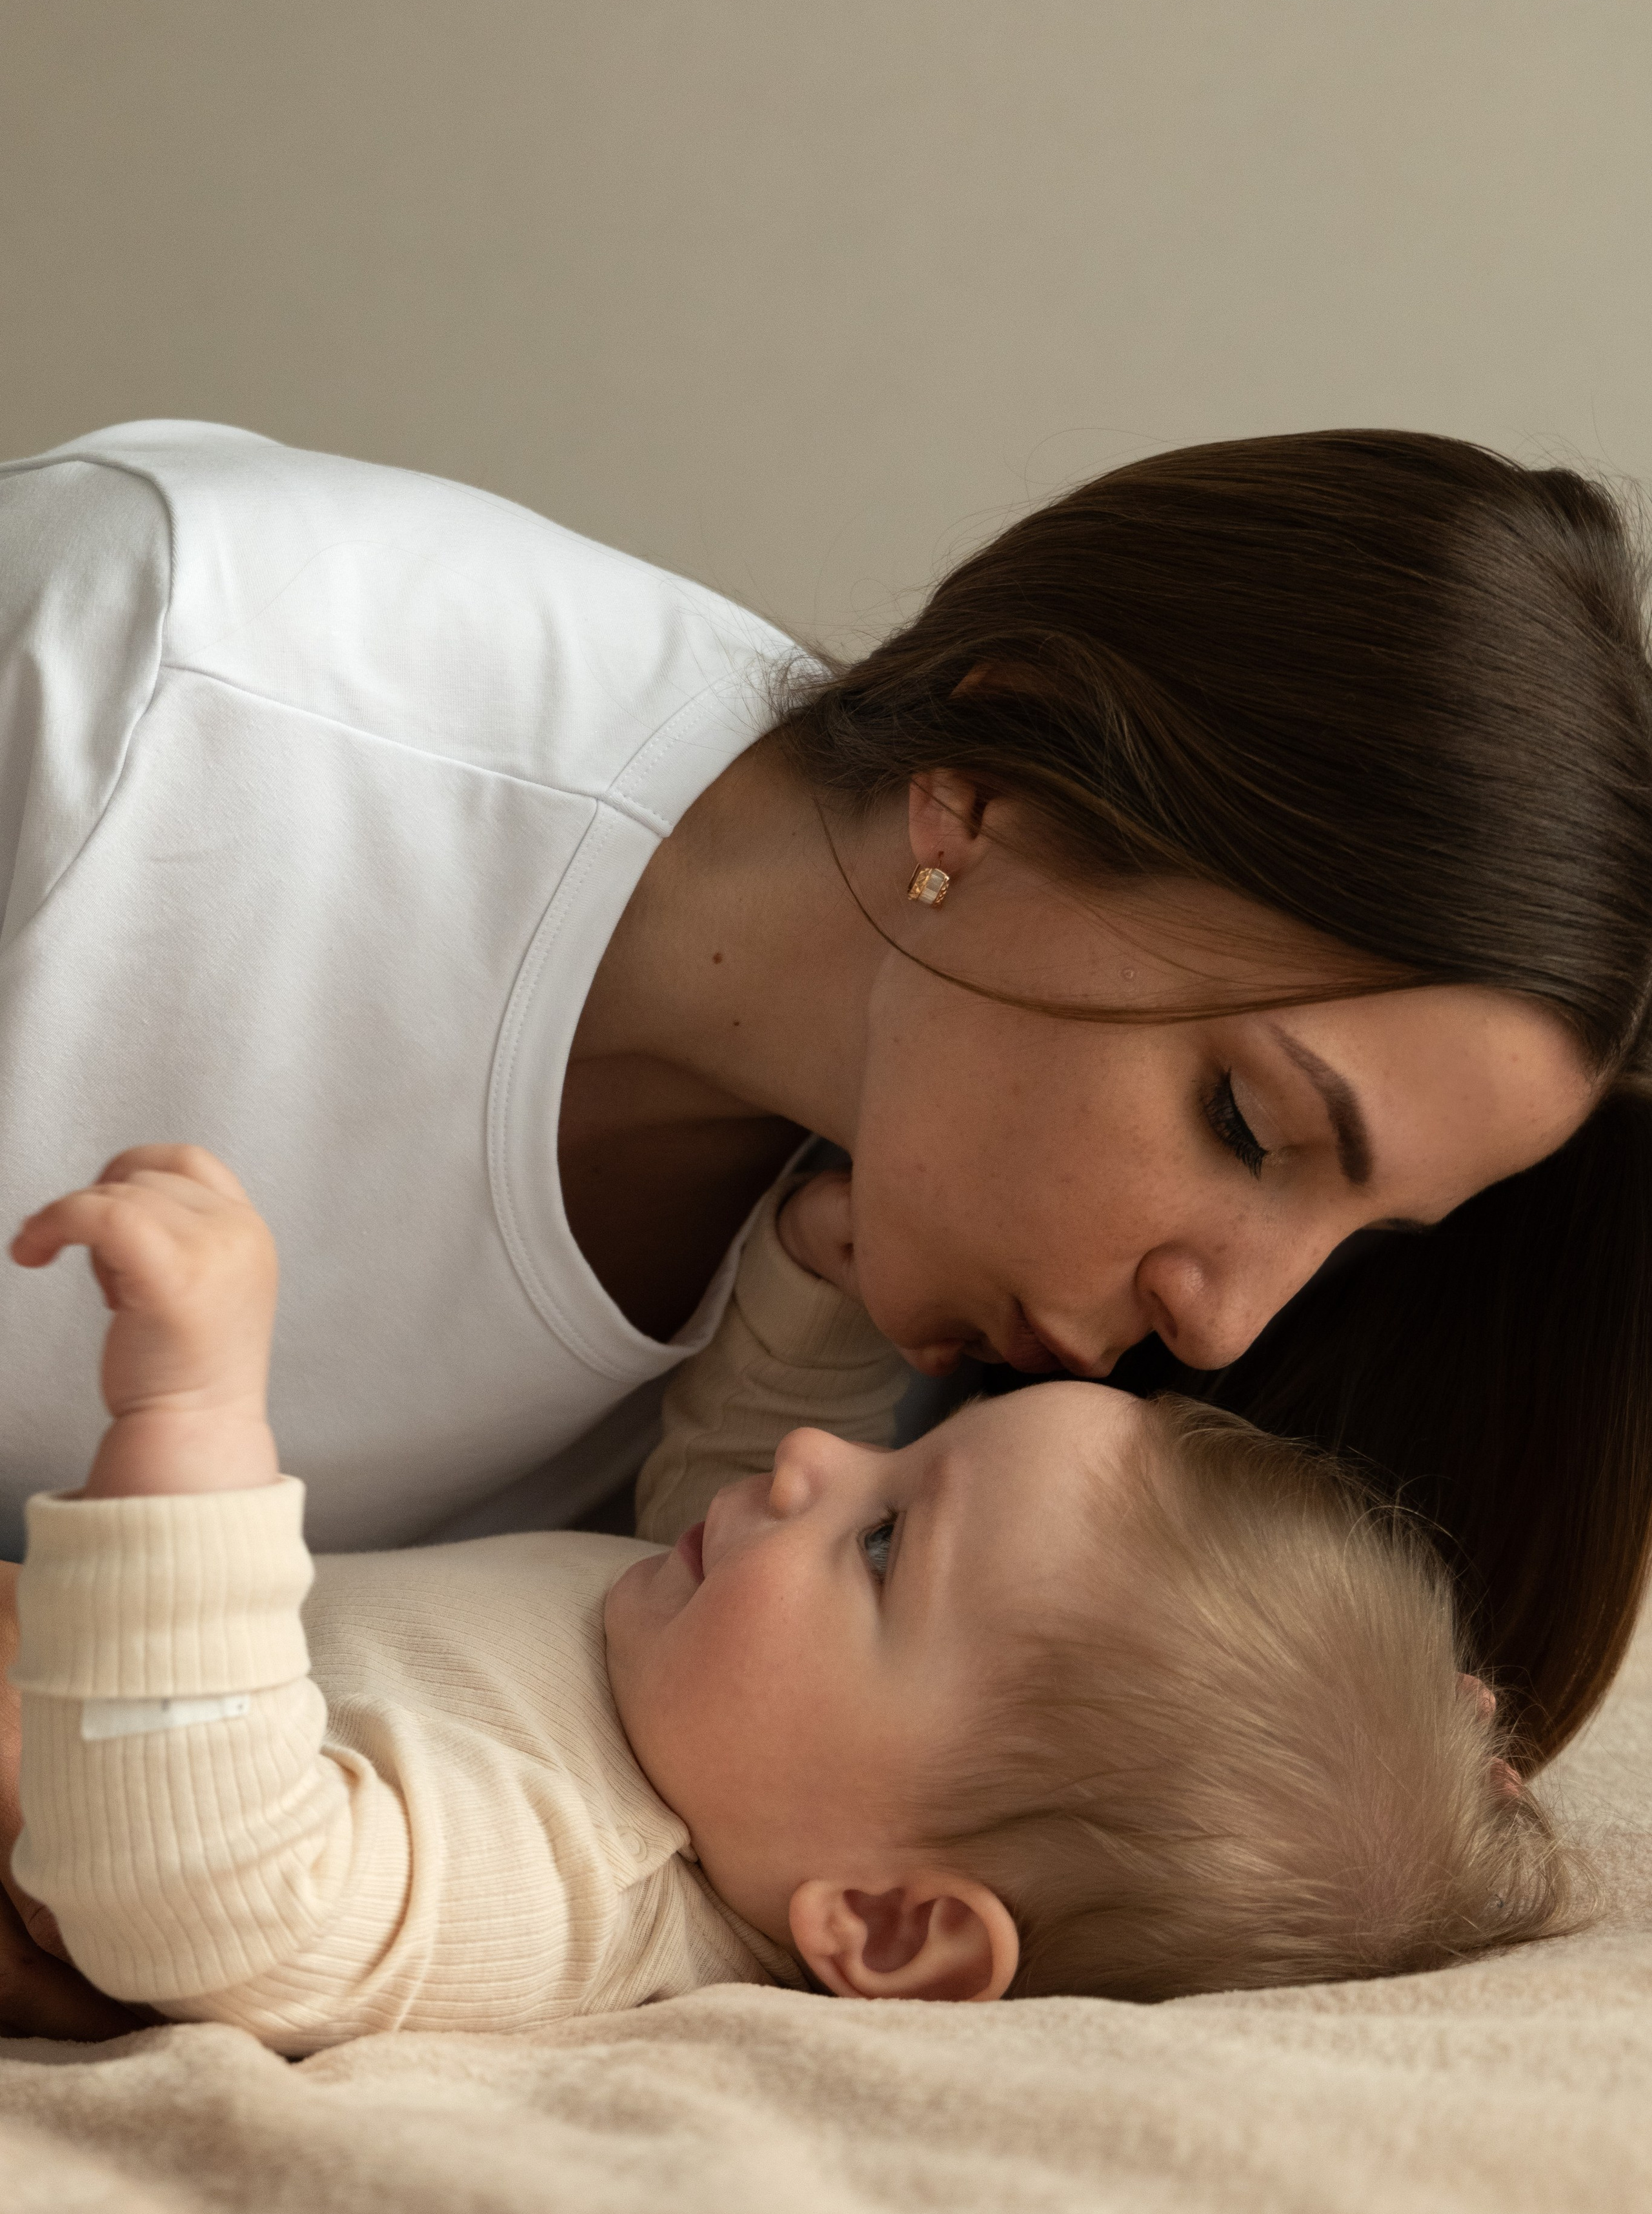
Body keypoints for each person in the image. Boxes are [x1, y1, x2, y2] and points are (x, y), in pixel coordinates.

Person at [1, 419, 1649, 1782]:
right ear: (987, 789)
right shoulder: (159, 690)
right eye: (1243, 1126)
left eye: (1355, 1240)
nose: (1217, 1328)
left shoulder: (917, 1423)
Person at [1, 1146, 1567, 2053]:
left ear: (884, 1929)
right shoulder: (718, 1710)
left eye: (884, 1545)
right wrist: (823, 1277)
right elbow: (731, 1480)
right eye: (913, 1459)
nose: (823, 1459)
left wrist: (188, 1422)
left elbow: (218, 1893)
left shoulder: (563, 1879)